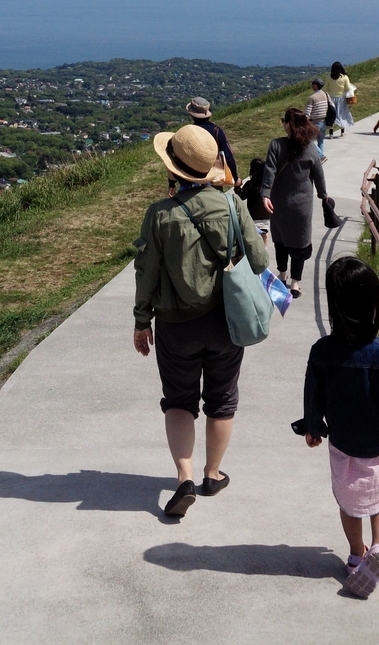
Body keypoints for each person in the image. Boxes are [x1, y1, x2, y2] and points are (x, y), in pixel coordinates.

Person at [134, 123, 268, 518]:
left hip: (176, 324)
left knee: (179, 400)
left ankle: (184, 478)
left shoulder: (159, 215)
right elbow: (259, 261)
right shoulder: (232, 204)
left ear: (173, 168)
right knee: (222, 399)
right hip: (227, 321)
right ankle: (213, 474)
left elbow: (148, 274)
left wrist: (142, 321)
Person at [300, 257, 379, 599]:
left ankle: (357, 555)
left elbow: (314, 394)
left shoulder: (322, 351)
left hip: (342, 442)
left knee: (349, 502)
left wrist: (313, 426)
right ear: (373, 305)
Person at [260, 108, 327, 300]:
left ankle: (282, 276)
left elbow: (270, 171)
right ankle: (295, 283)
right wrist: (324, 195)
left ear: (289, 124)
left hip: (279, 203)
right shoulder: (311, 148)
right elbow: (319, 175)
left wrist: (265, 194)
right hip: (302, 206)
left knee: (280, 241)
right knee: (300, 243)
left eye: (284, 120)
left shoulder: (276, 145)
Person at [181, 98, 239, 188]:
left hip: (192, 176)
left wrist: (172, 183)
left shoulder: (188, 132)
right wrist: (235, 178)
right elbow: (228, 156)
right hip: (214, 177)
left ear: (192, 115)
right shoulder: (217, 131)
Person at [324, 62, 354, 137]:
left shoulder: (328, 77)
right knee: (342, 115)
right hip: (341, 99)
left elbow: (325, 88)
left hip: (331, 98)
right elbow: (348, 88)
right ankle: (342, 131)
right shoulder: (344, 77)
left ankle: (331, 133)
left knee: (331, 115)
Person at [304, 79, 330, 160]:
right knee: (321, 141)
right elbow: (332, 106)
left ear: (316, 86)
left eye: (312, 84)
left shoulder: (312, 97)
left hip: (315, 122)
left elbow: (307, 112)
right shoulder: (326, 94)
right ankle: (319, 158)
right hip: (325, 121)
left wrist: (302, 120)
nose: (311, 86)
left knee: (308, 140)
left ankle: (321, 156)